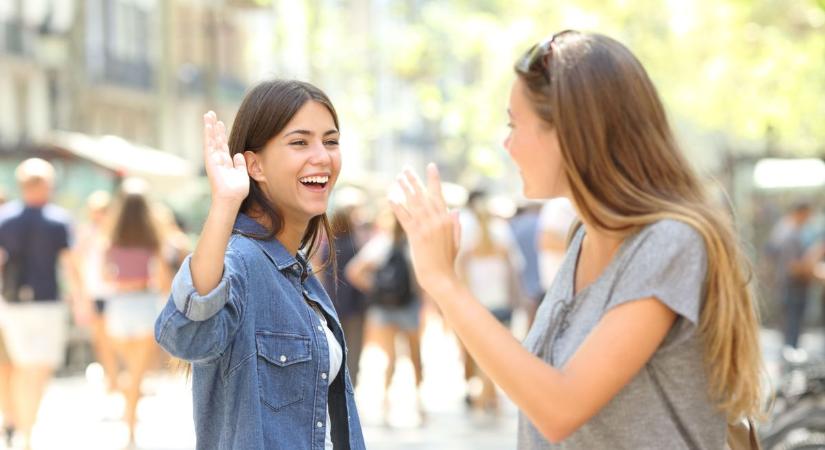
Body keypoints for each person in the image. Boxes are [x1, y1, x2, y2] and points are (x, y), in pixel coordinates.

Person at [389, 30, 762, 449]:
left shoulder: (669, 242)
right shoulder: (584, 236)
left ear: (570, 133)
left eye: (514, 124)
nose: (506, 144)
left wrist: (444, 283)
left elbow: (560, 407)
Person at [154, 79, 365, 450]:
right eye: (299, 142)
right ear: (255, 165)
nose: (322, 156)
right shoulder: (243, 261)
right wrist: (225, 202)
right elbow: (186, 334)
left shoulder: (296, 272)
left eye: (330, 141)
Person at [0, 158, 90, 450]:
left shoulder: (5, 219)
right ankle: (27, 428)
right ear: (44, 185)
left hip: (12, 303)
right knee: (40, 366)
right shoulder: (58, 220)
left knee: (22, 365)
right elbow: (71, 266)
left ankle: (16, 420)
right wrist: (81, 300)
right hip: (47, 302)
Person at [104, 180, 170, 447]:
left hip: (119, 305)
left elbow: (103, 277)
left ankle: (128, 417)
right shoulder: (154, 242)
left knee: (128, 371)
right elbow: (164, 281)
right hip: (144, 303)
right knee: (137, 373)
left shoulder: (111, 241)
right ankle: (130, 426)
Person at [345, 209, 425, 424]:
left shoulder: (381, 243)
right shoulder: (414, 244)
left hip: (385, 308)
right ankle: (418, 405)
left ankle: (387, 404)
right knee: (415, 356)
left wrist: (377, 289)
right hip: (408, 306)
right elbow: (421, 280)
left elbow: (354, 271)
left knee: (391, 358)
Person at [458, 191, 522, 413]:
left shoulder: (465, 230)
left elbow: (460, 269)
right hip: (500, 299)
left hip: (476, 301)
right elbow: (516, 265)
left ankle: (484, 397)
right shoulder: (502, 231)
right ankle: (490, 396)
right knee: (496, 353)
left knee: (481, 354)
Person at [75, 190, 119, 392]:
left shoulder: (117, 232)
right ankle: (112, 379)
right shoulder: (86, 234)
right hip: (94, 292)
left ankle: (118, 377)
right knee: (100, 339)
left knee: (117, 337)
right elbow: (77, 263)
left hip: (115, 293)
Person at [321, 207, 368, 387]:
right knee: (354, 349)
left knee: (335, 347)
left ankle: (336, 385)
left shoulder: (328, 246)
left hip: (333, 304)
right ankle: (351, 385)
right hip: (355, 305)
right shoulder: (354, 244)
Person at [767, 202, 814, 349]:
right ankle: (790, 356)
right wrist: (812, 270)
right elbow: (792, 266)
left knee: (791, 326)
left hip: (790, 286)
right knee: (791, 326)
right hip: (792, 286)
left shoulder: (786, 231)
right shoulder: (790, 234)